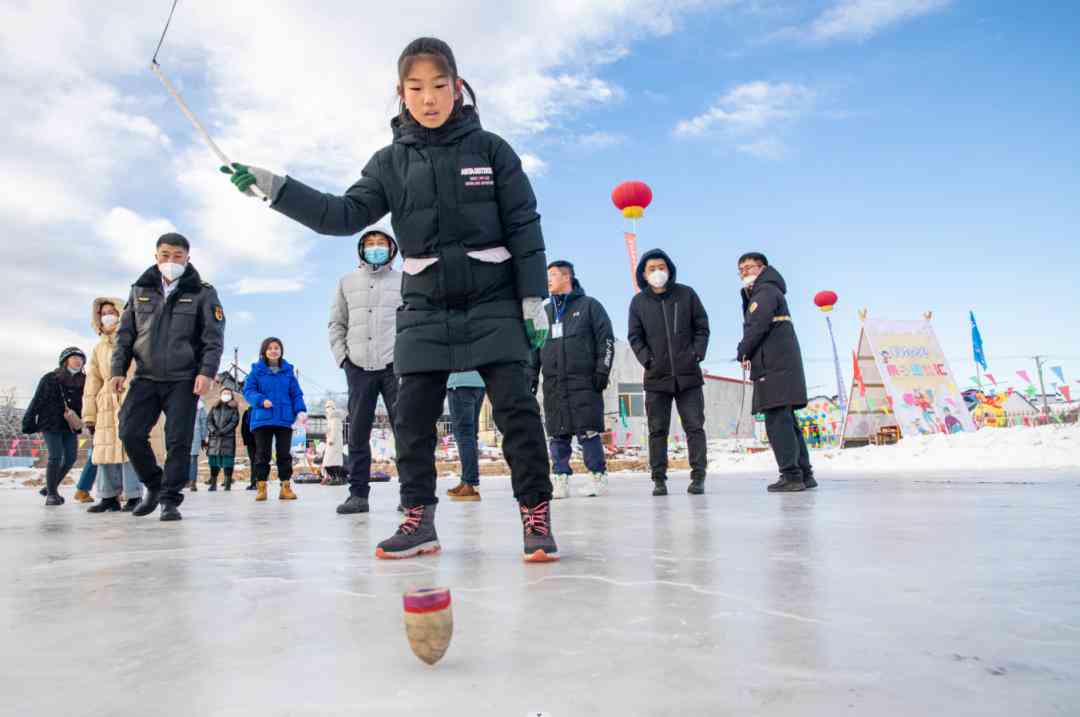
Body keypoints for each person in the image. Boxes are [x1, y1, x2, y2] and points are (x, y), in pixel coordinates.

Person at [224, 37, 558, 562]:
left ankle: (535, 515)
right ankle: (418, 518)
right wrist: (277, 188)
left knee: (517, 411)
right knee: (412, 419)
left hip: (493, 301)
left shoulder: (492, 150)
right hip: (424, 307)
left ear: (458, 86)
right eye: (417, 88)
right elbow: (341, 214)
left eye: (440, 86)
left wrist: (532, 297)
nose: (429, 99)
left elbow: (524, 224)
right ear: (401, 94)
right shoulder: (389, 163)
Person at [112, 232, 225, 521]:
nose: (171, 260)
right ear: (156, 256)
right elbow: (125, 335)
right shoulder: (140, 289)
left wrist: (206, 373)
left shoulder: (203, 292)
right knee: (129, 432)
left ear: (187, 258)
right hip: (145, 376)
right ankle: (153, 483)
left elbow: (213, 338)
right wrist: (117, 370)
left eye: (177, 256)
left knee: (178, 440)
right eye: (165, 255)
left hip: (184, 378)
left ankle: (169, 500)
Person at [328, 224, 402, 515]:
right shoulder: (347, 282)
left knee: (405, 430)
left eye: (380, 242)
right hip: (358, 366)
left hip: (395, 366)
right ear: (361, 249)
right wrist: (343, 359)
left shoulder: (404, 280)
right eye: (369, 242)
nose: (375, 246)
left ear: (391, 248)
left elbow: (415, 319)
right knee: (357, 434)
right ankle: (357, 494)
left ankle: (411, 493)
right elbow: (336, 323)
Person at [628, 249, 710, 496]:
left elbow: (702, 326)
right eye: (651, 268)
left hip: (688, 376)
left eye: (661, 267)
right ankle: (659, 479)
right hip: (656, 377)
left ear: (670, 269)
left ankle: (698, 476)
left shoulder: (686, 294)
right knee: (657, 430)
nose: (657, 272)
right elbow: (635, 336)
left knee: (695, 426)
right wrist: (648, 360)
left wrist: (696, 353)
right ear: (643, 273)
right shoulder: (638, 302)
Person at [736, 252, 816, 492]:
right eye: (741, 269)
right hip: (780, 364)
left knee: (777, 421)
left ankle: (791, 475)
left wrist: (743, 350)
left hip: (773, 366)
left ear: (763, 268)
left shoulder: (765, 292)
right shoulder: (766, 291)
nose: (745, 272)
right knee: (787, 420)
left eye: (750, 267)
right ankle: (804, 473)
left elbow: (757, 325)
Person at [535, 261, 614, 499]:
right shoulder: (544, 312)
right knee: (557, 433)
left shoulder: (590, 306)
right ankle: (560, 480)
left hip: (584, 382)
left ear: (567, 277)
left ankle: (597, 477)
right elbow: (534, 346)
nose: (548, 279)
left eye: (553, 275)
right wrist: (530, 374)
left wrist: (603, 370)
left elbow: (606, 340)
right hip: (554, 384)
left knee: (588, 430)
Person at [83, 297, 164, 513]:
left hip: (132, 397)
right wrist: (89, 415)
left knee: (130, 449)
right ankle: (108, 496)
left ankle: (133, 495)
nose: (107, 315)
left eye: (112, 311)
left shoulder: (135, 339)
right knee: (105, 451)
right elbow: (93, 381)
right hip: (106, 404)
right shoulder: (98, 348)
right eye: (103, 312)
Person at [243, 338, 307, 502]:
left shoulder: (288, 372)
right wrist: (260, 400)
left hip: (284, 418)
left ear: (281, 351)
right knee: (262, 454)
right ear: (264, 351)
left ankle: (285, 487)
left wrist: (300, 410)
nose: (273, 350)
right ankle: (261, 487)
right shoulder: (256, 371)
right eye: (270, 348)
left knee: (284, 454)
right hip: (263, 419)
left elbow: (296, 393)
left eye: (276, 348)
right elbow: (248, 390)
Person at [22, 347, 86, 506]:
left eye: (81, 358)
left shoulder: (85, 380)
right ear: (65, 361)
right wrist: (29, 421)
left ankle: (49, 487)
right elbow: (37, 400)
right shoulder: (51, 378)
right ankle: (52, 494)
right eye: (74, 357)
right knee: (55, 456)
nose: (78, 361)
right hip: (50, 422)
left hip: (70, 425)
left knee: (71, 458)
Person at [445, 371, 485, 501]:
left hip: (460, 383)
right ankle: (466, 480)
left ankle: (470, 484)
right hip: (478, 382)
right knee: (471, 434)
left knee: (464, 435)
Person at [206, 390, 241, 491]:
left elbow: (234, 421)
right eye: (224, 393)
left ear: (231, 396)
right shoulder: (214, 407)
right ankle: (213, 484)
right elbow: (209, 420)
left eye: (228, 393)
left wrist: (223, 431)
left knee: (228, 462)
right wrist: (213, 430)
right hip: (214, 438)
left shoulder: (234, 408)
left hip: (228, 438)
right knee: (213, 462)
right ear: (220, 395)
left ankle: (227, 484)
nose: (226, 395)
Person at [322, 399, 347, 485]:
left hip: (333, 443)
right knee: (330, 462)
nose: (327, 409)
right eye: (326, 407)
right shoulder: (331, 418)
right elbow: (330, 430)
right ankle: (335, 477)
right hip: (332, 443)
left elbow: (335, 430)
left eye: (328, 407)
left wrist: (331, 439)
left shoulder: (334, 418)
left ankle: (336, 478)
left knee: (330, 462)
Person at [189, 400, 208, 491]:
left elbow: (204, 422)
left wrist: (203, 437)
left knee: (192, 458)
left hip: (194, 435)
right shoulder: (178, 400)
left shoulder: (200, 406)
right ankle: (189, 481)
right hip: (181, 435)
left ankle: (191, 482)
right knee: (188, 459)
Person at [240, 404, 257, 490]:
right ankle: (253, 482)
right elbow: (243, 427)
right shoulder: (247, 412)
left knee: (259, 460)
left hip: (260, 439)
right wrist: (246, 440)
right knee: (253, 461)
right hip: (250, 440)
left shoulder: (261, 411)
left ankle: (259, 482)